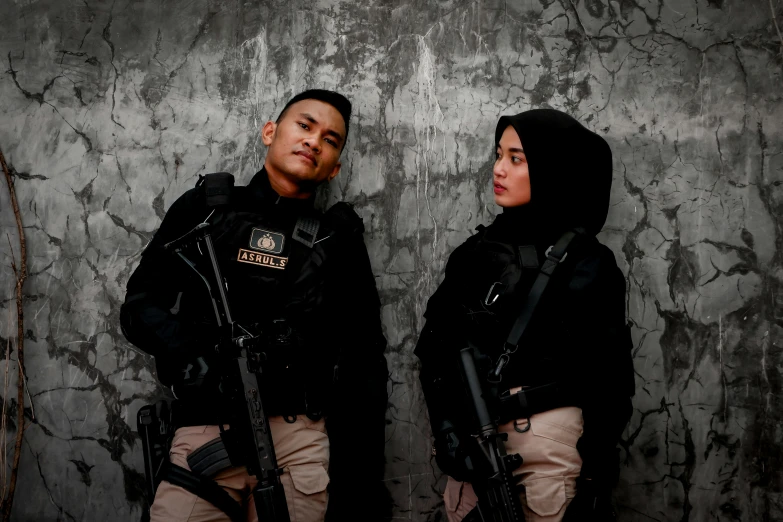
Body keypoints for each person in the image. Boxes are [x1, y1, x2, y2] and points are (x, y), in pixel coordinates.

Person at [120, 89, 389, 522]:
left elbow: (365, 360)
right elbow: (140, 305)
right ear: (270, 131)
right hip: (208, 430)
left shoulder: (336, 240)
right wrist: (189, 354)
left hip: (297, 441)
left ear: (335, 165)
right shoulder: (205, 210)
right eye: (304, 125)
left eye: (330, 139)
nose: (314, 141)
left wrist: (362, 482)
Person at [415, 109, 635, 521]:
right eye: (499, 155)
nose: (499, 169)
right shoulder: (474, 253)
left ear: (554, 168)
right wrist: (447, 434)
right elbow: (434, 349)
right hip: (472, 446)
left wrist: (594, 478)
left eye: (517, 158)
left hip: (545, 444)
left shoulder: (587, 262)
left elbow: (608, 380)